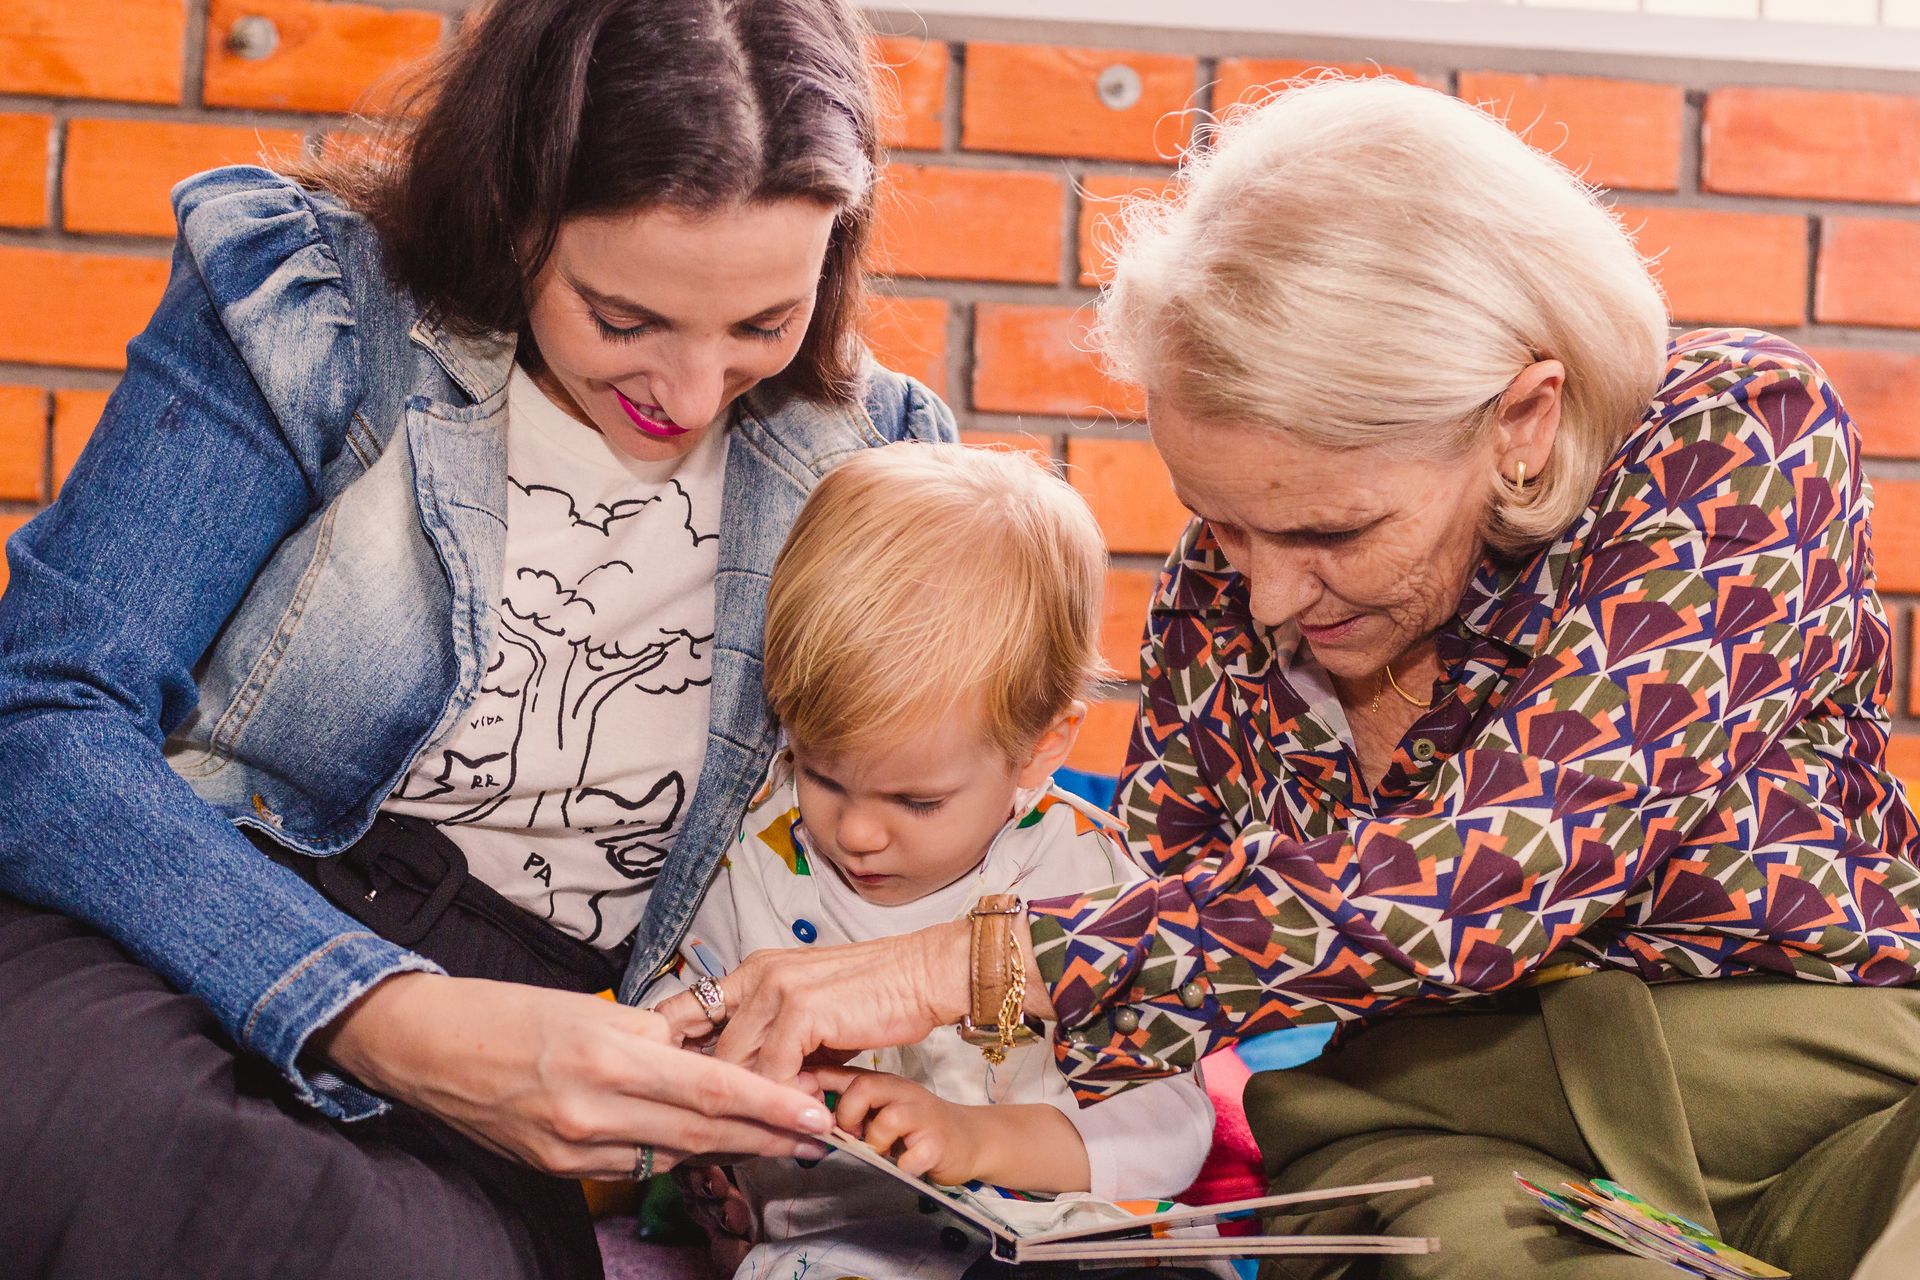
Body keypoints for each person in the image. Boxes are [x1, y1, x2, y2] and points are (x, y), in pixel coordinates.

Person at [660, 76, 1920, 1280]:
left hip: (1825, 1090)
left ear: (1523, 420)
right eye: (1221, 522)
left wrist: (947, 966)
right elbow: (1140, 924)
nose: (1263, 596)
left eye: (1331, 531)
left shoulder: (1732, 435)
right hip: (1440, 1141)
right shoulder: (1221, 591)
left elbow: (1502, 863)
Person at [0, 1, 956, 1276]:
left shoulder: (880, 465)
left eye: (761, 326)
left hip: (526, 1071)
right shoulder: (321, 311)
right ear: (513, 209)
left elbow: (920, 851)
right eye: (625, 319)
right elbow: (43, 711)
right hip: (173, 925)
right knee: (141, 1149)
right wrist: (381, 1009)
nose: (688, 394)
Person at [648, 445, 1217, 1279]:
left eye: (916, 802)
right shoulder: (750, 855)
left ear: (1042, 746)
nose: (857, 833)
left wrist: (973, 1138)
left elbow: (1173, 1130)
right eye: (821, 774)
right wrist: (704, 1128)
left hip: (1063, 1244)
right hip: (839, 1252)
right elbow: (681, 1024)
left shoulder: (1085, 878)